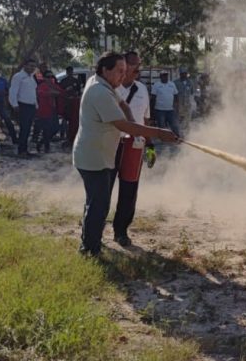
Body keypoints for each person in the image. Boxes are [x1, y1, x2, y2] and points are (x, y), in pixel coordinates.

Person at [73, 52, 178, 257]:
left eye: (126, 70)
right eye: (120, 71)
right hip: (95, 155)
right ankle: (89, 249)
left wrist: (139, 133)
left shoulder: (105, 85)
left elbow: (124, 106)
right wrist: (158, 133)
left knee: (106, 198)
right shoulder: (100, 91)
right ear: (105, 70)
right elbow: (121, 125)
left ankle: (103, 237)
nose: (125, 74)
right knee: (99, 203)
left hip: (104, 152)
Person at [109, 51, 153, 246]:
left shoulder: (142, 89)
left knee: (129, 189)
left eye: (139, 63)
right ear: (124, 66)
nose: (138, 68)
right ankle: (95, 227)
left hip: (134, 145)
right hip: (111, 142)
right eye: (134, 63)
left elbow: (146, 119)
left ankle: (121, 231)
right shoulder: (110, 88)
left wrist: (149, 144)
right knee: (104, 187)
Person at [9, 58, 39, 157]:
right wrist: (14, 105)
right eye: (30, 66)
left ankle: (25, 150)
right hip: (22, 106)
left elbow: (33, 92)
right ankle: (21, 151)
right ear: (25, 66)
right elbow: (13, 92)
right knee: (24, 129)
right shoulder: (18, 77)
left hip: (31, 106)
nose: (32, 68)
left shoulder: (32, 77)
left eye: (34, 66)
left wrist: (36, 105)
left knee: (28, 129)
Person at [34, 74, 64, 153]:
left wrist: (56, 92)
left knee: (55, 128)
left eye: (51, 77)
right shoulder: (42, 86)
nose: (50, 79)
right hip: (44, 110)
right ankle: (46, 147)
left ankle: (42, 142)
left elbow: (61, 92)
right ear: (45, 78)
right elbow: (40, 93)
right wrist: (50, 93)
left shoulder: (54, 85)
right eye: (48, 77)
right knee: (46, 129)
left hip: (53, 110)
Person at [151, 71, 181, 137]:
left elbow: (176, 96)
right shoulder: (156, 85)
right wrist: (152, 110)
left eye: (166, 75)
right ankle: (163, 139)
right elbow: (153, 98)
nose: (165, 77)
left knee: (174, 125)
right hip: (159, 110)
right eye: (164, 75)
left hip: (170, 110)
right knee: (161, 126)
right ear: (160, 77)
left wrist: (177, 107)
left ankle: (177, 137)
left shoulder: (172, 84)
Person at [60, 66, 82, 148]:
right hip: (66, 103)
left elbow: (79, 91)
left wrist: (76, 95)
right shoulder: (63, 81)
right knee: (64, 119)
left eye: (71, 72)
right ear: (67, 72)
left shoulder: (76, 81)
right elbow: (61, 92)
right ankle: (64, 135)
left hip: (74, 103)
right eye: (69, 72)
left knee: (74, 120)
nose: (70, 73)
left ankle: (72, 136)